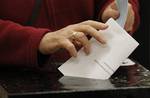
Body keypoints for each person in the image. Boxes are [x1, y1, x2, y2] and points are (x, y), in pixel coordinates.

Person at [0, 0, 139, 71]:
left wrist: (114, 9)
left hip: (88, 71)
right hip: (15, 74)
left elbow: (121, 4)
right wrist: (38, 40)